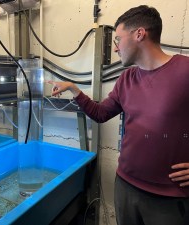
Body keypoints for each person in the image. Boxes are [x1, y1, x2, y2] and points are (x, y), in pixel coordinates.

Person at [48, 5, 189, 225]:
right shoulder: (127, 79)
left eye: (117, 40)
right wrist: (74, 89)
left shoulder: (184, 71)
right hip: (125, 186)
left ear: (139, 34)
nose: (115, 48)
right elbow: (101, 113)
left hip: (169, 198)